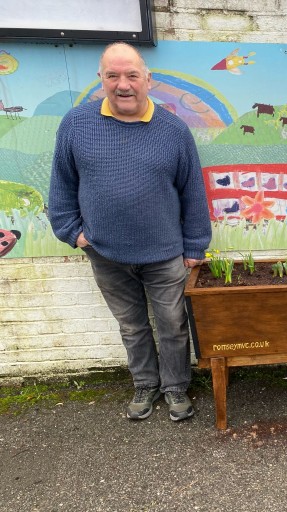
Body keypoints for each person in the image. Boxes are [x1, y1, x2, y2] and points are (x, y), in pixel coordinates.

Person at [49, 42, 212, 422]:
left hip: (165, 254)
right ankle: (145, 384)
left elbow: (192, 191)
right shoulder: (76, 124)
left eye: (132, 75)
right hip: (106, 254)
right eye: (113, 75)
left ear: (148, 80)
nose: (123, 85)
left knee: (173, 325)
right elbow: (62, 185)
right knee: (132, 326)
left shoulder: (174, 130)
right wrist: (73, 233)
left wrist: (195, 245)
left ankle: (175, 388)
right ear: (101, 80)